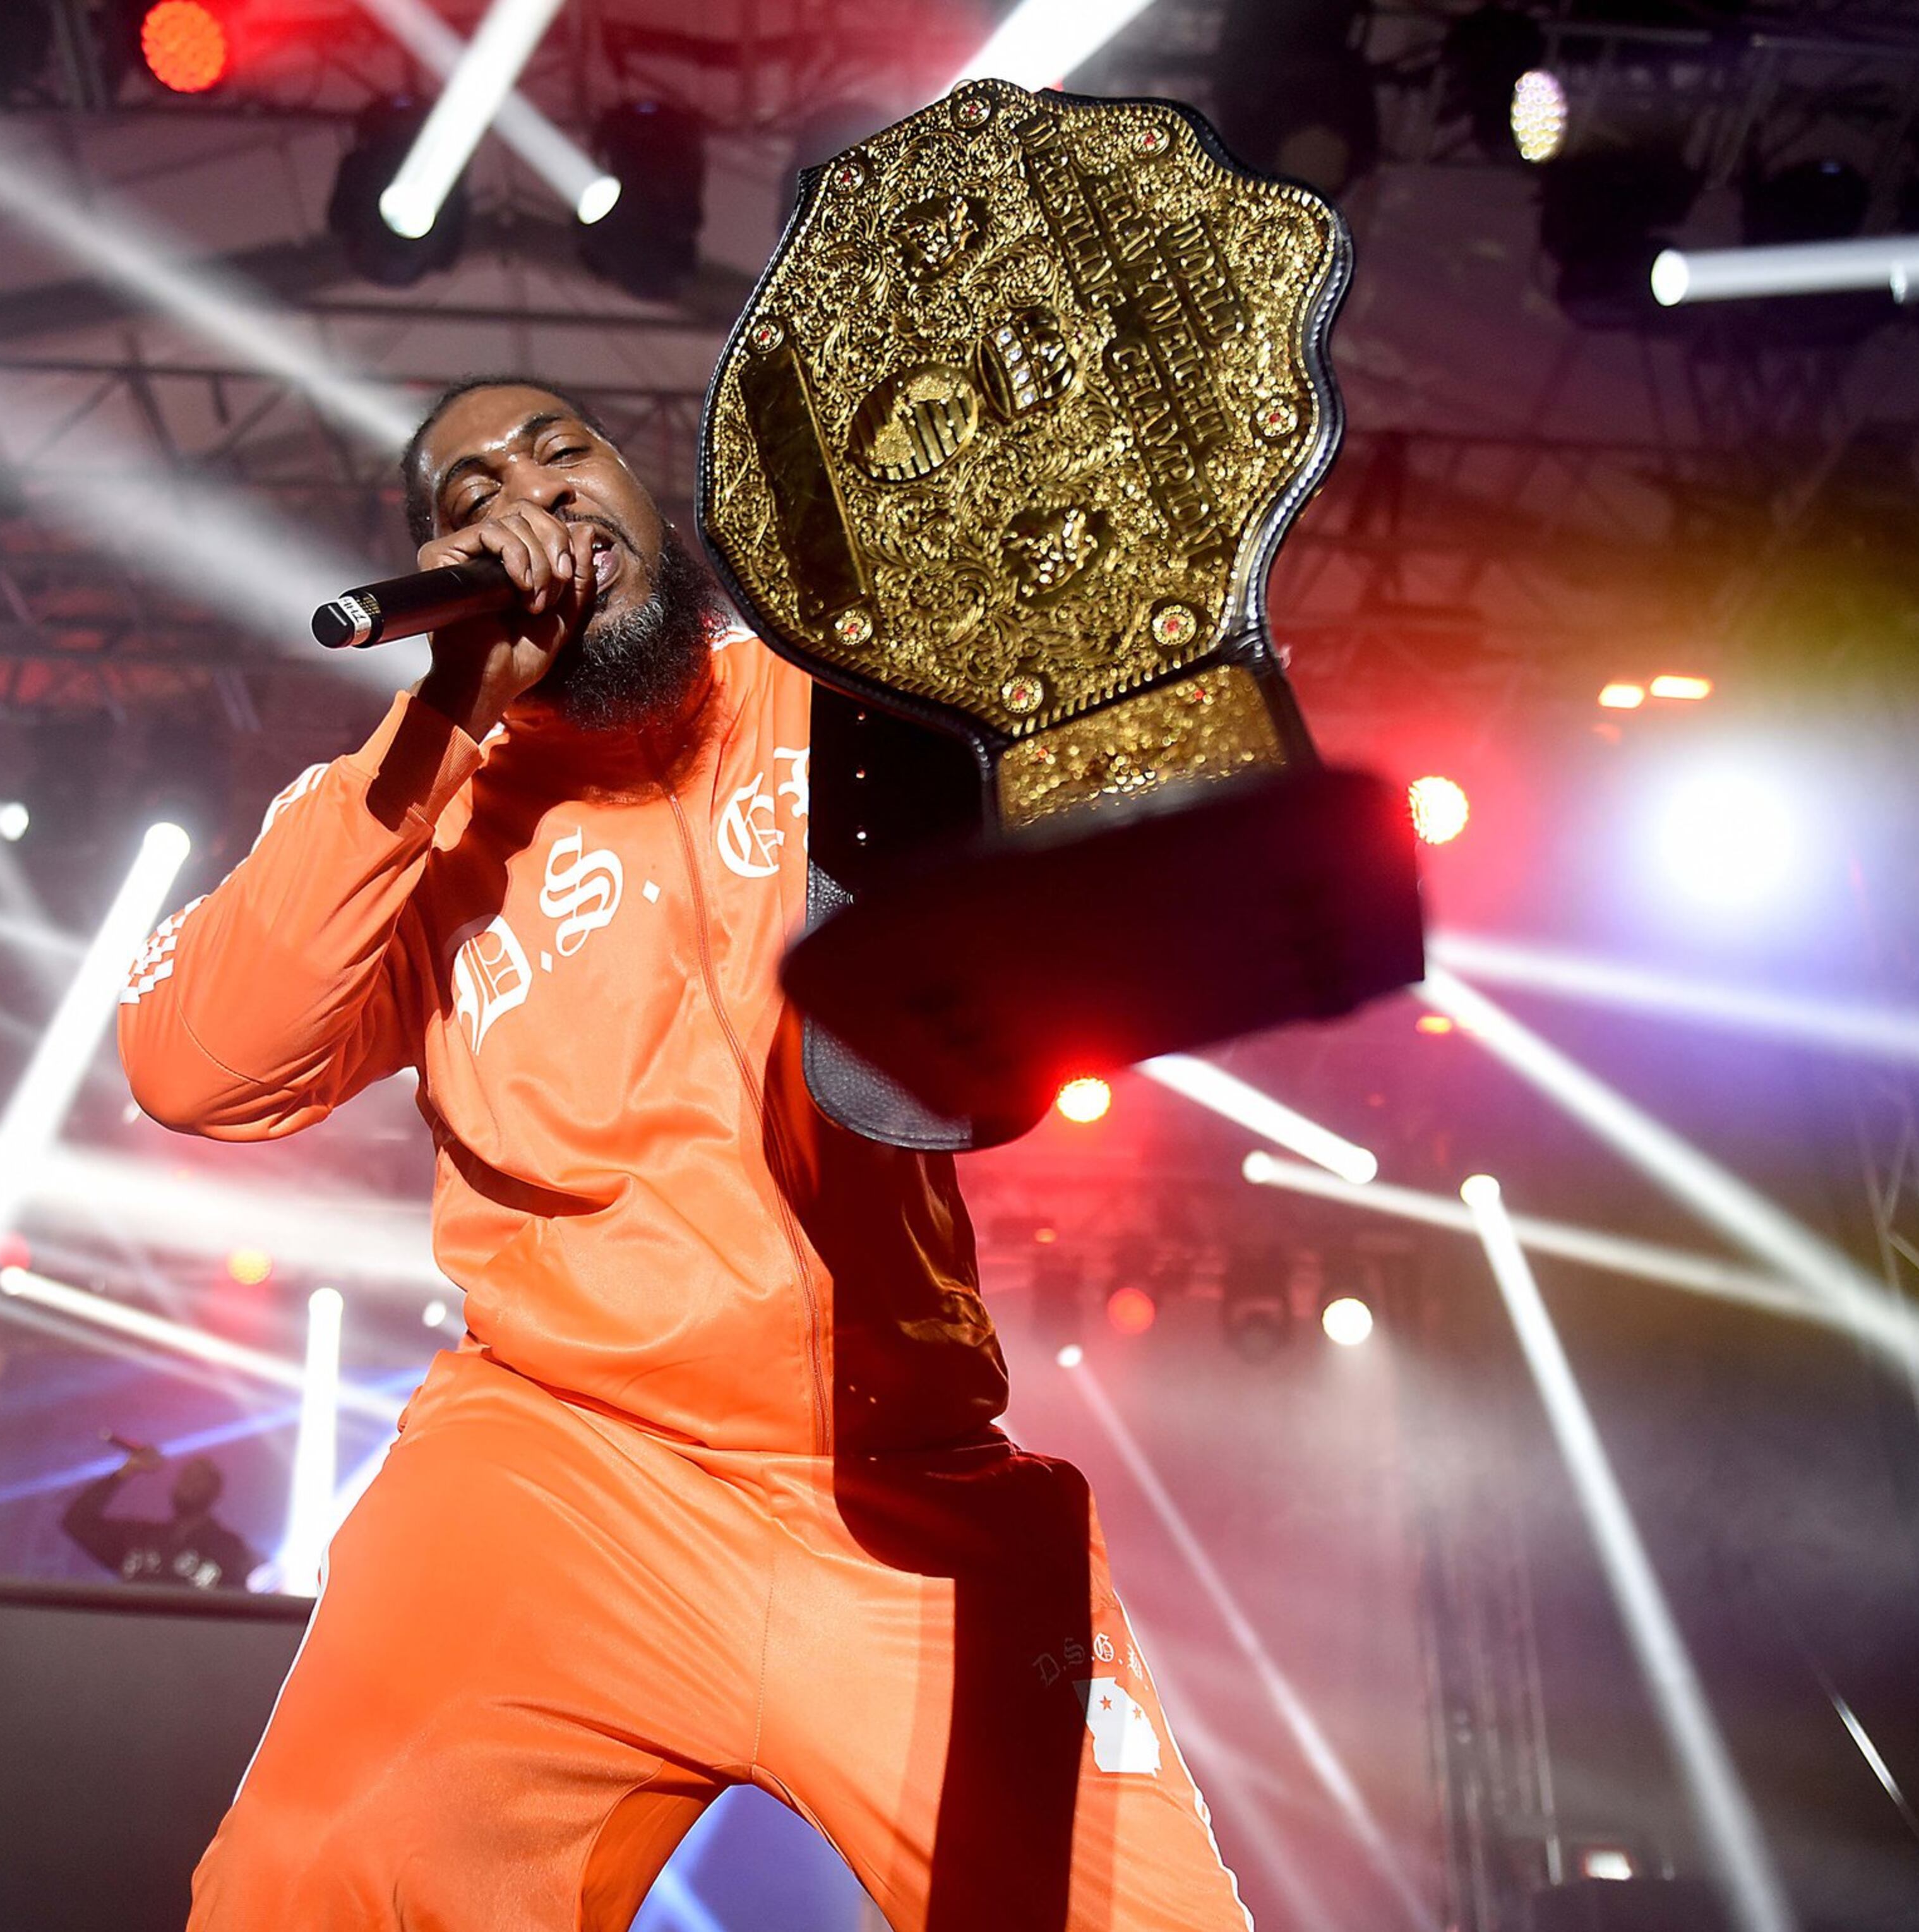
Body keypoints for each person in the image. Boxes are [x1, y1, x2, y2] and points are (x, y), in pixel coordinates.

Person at [118, 377, 1250, 1931]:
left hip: (896, 1489)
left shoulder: (848, 704)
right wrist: (443, 713)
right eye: (471, 498)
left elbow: (1118, 867)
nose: (531, 493)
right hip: (566, 1467)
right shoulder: (414, 816)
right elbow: (194, 1069)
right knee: (302, 1895)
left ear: (652, 493)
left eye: (562, 452)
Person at [61, 1443, 259, 1590]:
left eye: (199, 1478)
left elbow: (239, 1610)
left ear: (216, 1492)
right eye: (185, 1476)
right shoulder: (138, 1537)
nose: (188, 1483)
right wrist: (127, 1470)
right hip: (129, 1642)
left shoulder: (228, 1548)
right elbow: (77, 1521)